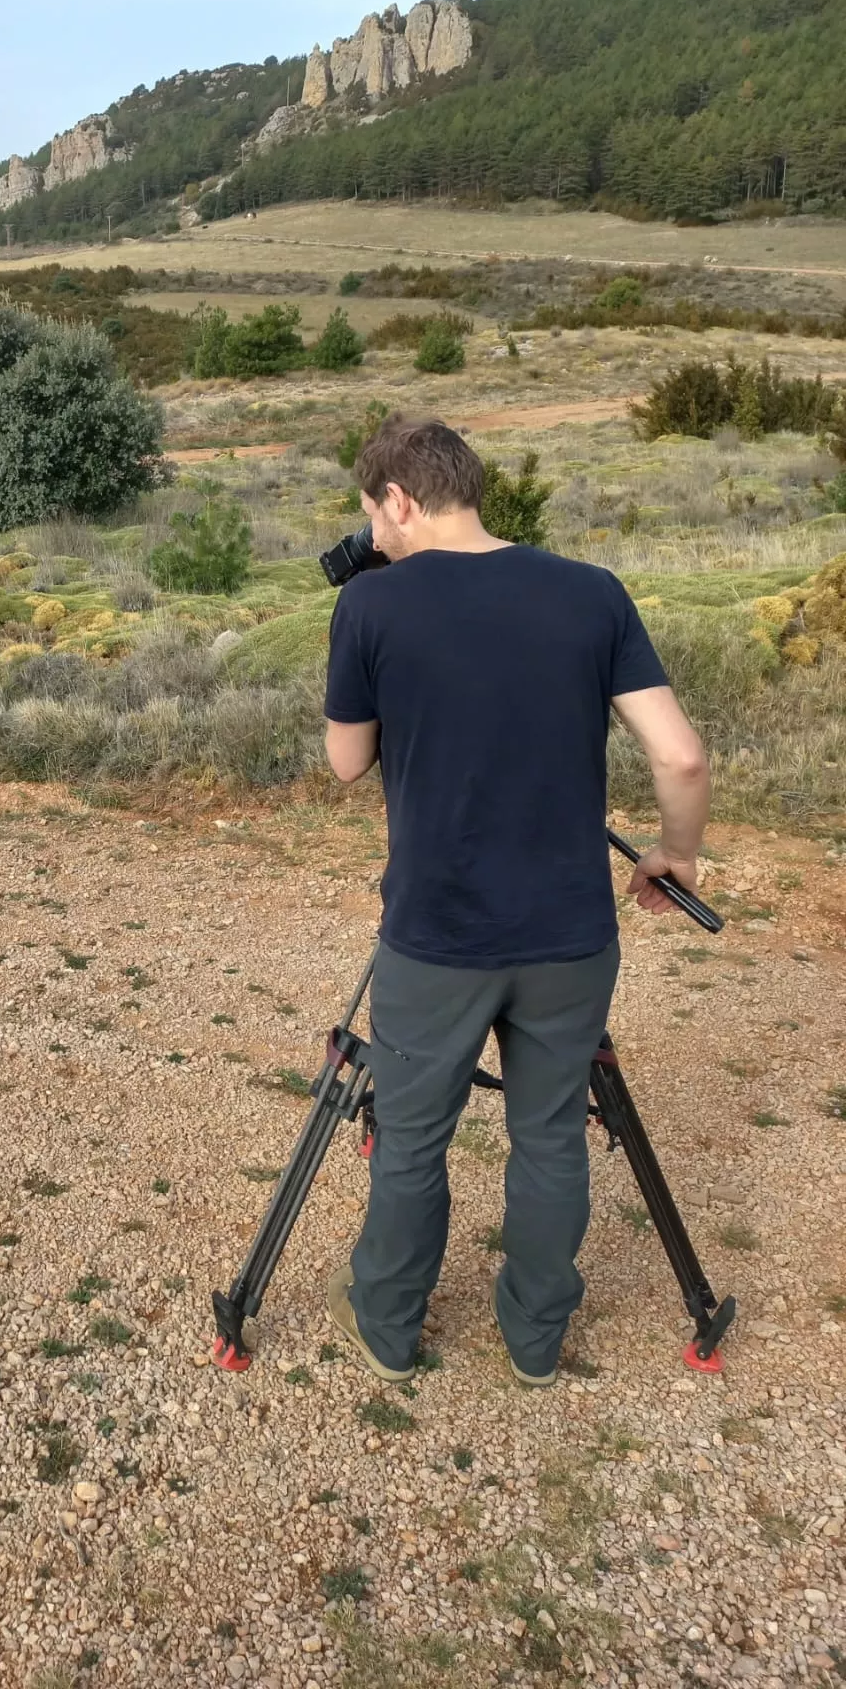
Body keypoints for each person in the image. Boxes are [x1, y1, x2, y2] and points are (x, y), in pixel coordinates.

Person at [321, 416, 709, 1388]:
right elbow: (682, 754)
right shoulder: (591, 591)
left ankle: (391, 1323)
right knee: (549, 1139)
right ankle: (535, 1338)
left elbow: (344, 761)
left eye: (373, 513)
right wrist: (676, 855)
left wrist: (372, 591)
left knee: (410, 1138)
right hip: (570, 929)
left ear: (397, 500)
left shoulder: (372, 605)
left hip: (435, 932)